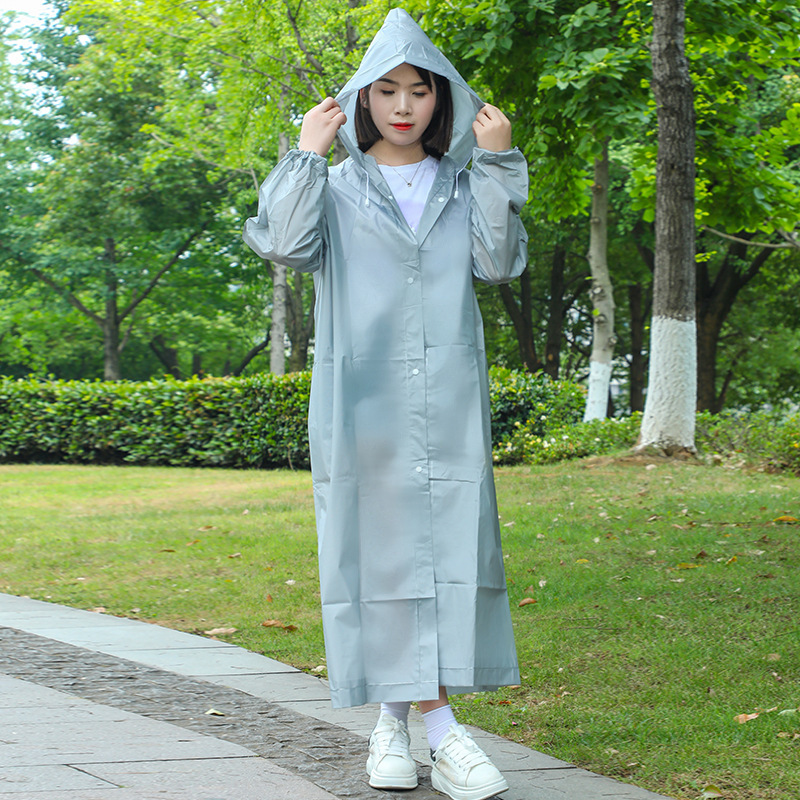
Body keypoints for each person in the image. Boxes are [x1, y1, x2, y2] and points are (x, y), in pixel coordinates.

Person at [243, 9, 528, 800]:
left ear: (443, 101)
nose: (404, 106)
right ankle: (444, 733)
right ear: (361, 99)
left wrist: (499, 163)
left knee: (443, 555)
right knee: (381, 555)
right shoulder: (332, 188)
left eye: (421, 91)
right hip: (360, 400)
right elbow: (285, 245)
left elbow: (498, 263)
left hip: (447, 398)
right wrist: (306, 154)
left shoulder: (464, 185)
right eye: (387, 89)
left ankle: (393, 727)